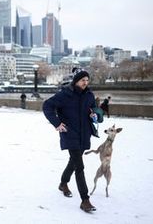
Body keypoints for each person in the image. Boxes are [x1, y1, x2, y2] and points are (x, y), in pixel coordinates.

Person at [43, 67, 98, 213]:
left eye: (87, 80)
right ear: (75, 81)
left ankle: (63, 183)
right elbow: (47, 106)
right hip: (70, 133)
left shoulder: (89, 95)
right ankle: (85, 200)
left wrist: (94, 115)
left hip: (84, 133)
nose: (85, 83)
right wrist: (57, 123)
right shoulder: (65, 95)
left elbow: (94, 109)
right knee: (79, 166)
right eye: (82, 80)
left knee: (73, 162)